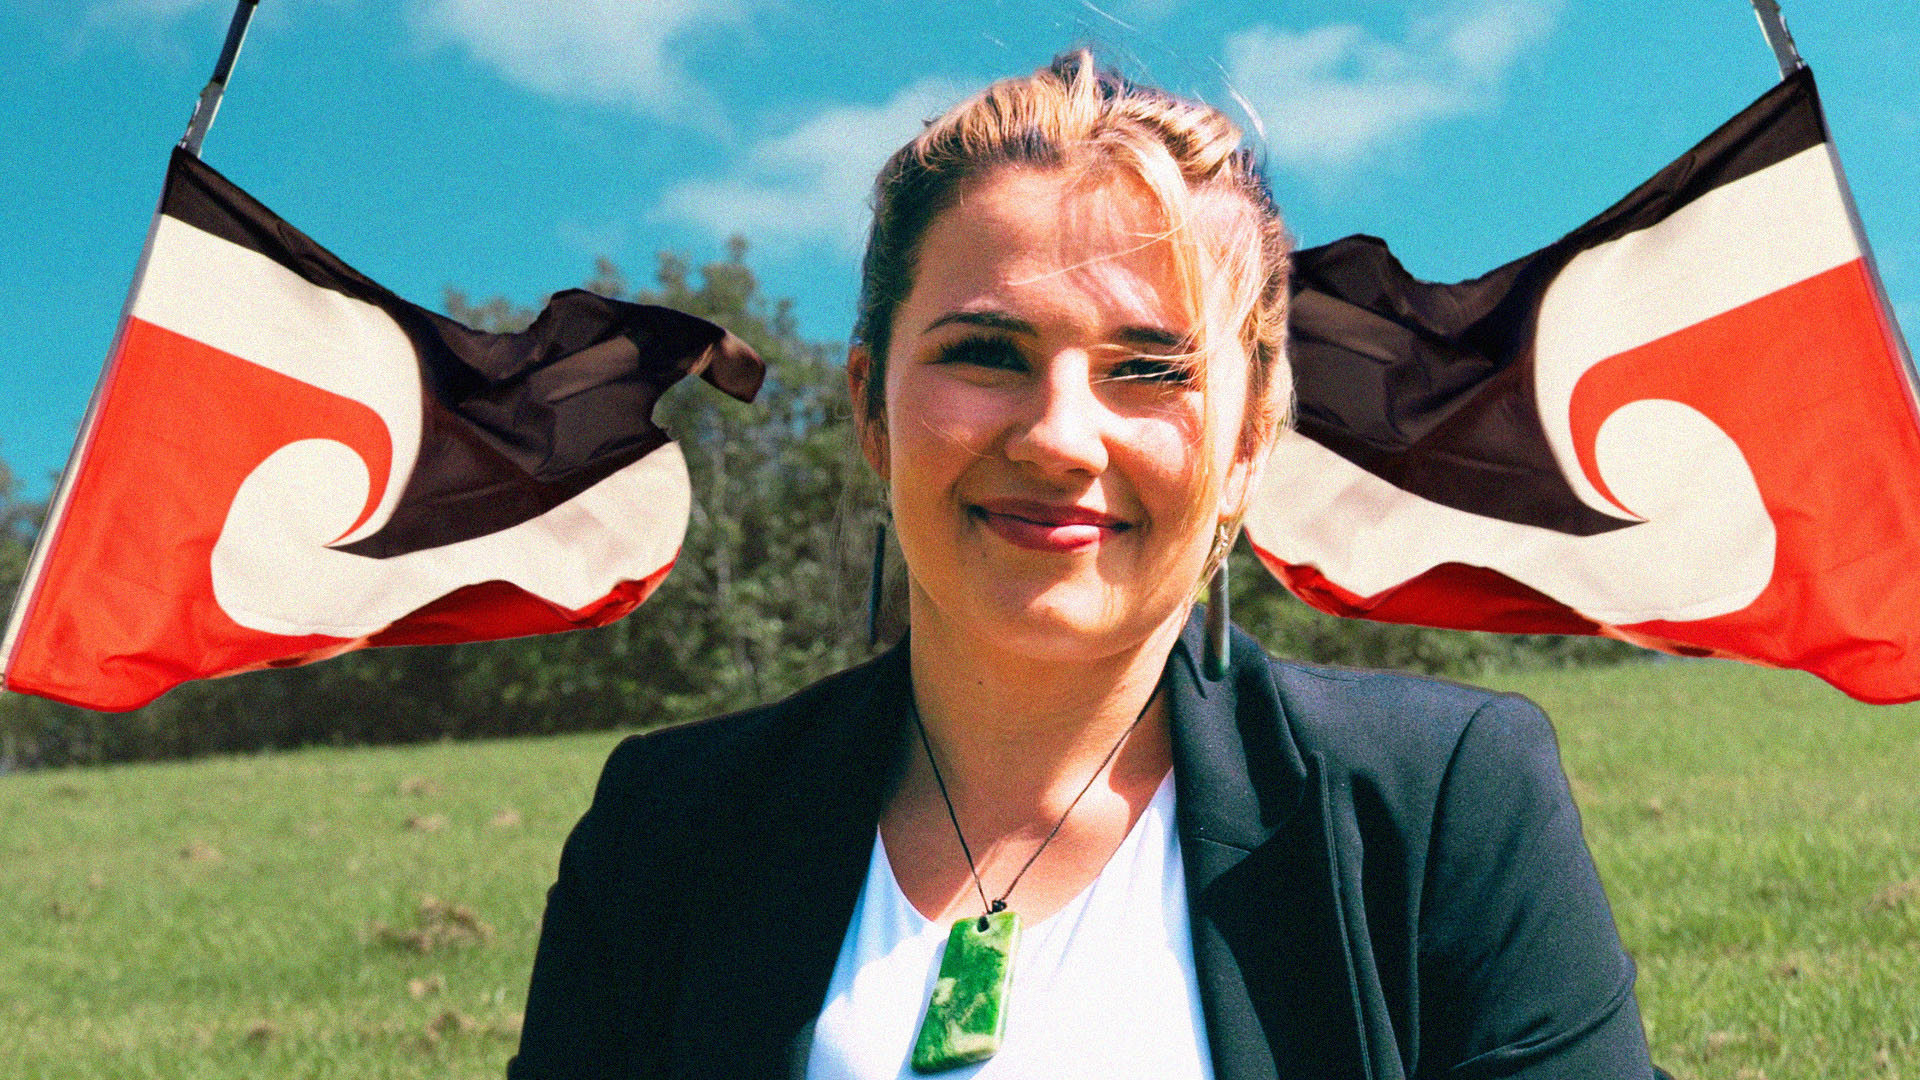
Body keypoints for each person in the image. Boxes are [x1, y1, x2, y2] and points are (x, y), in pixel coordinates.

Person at [508, 51, 1663, 1080]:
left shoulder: (1447, 804)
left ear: (1251, 440)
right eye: (987, 354)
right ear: (870, 405)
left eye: (1151, 371)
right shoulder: (662, 832)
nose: (1060, 438)